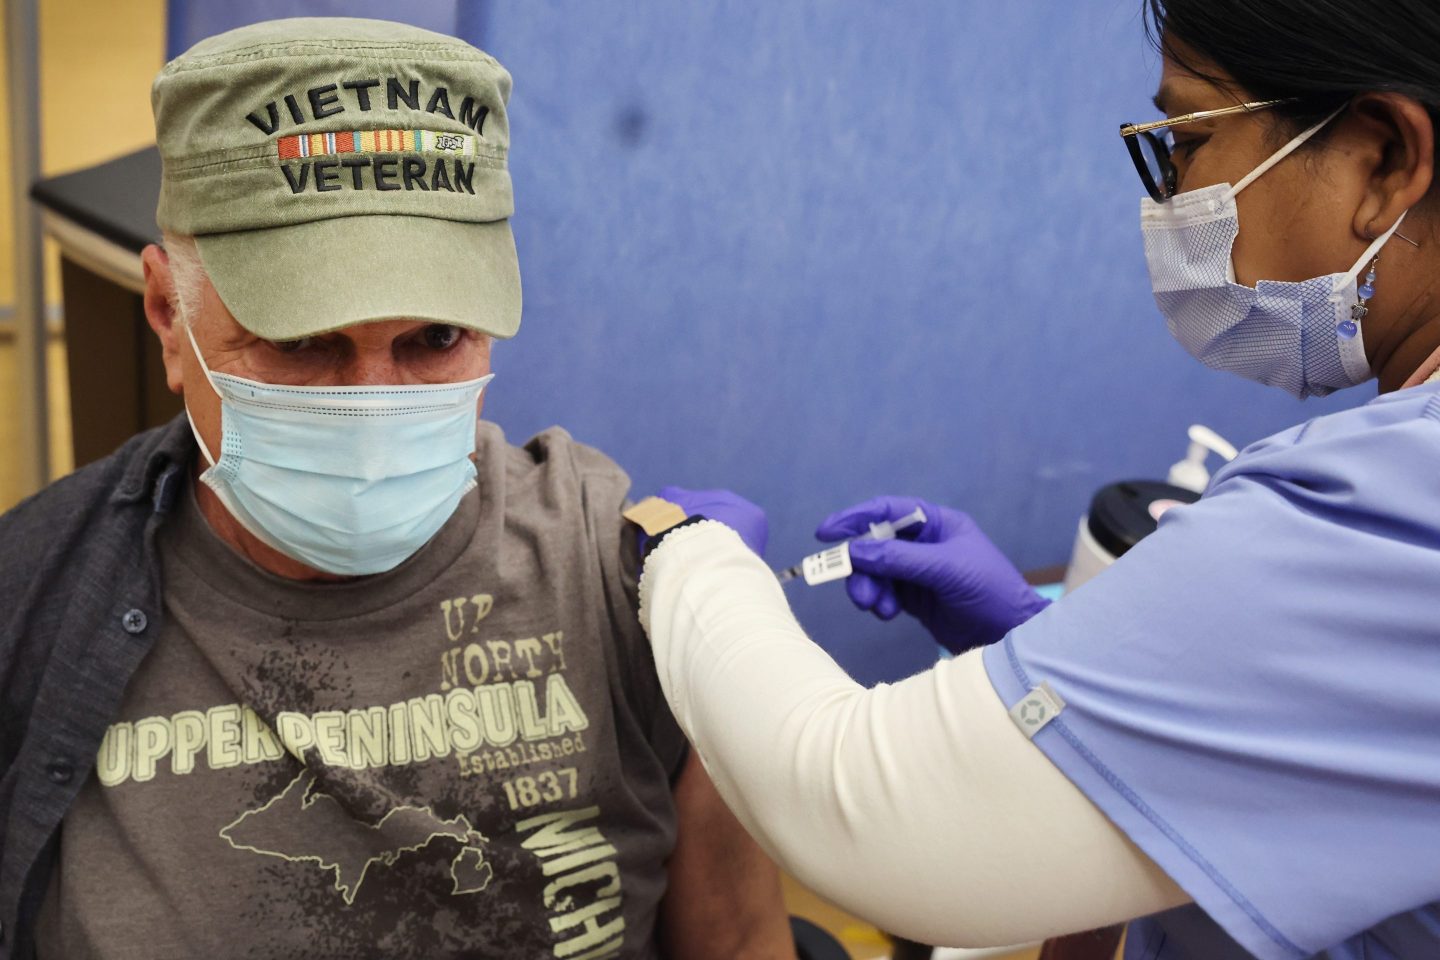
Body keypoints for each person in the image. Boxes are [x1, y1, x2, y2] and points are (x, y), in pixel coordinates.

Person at [635, 2, 1440, 958]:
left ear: (1385, 159)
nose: (1170, 198)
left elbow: (856, 808)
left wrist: (688, 565)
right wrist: (1042, 653)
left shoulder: (1390, 507)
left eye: (1185, 140)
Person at [0, 19, 796, 960]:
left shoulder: (620, 586)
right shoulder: (32, 610)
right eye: (304, 344)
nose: (374, 407)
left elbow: (741, 940)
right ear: (170, 315)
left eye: (433, 340)